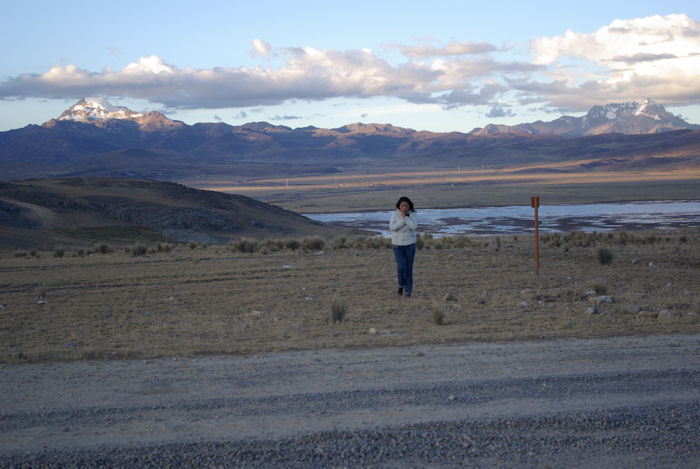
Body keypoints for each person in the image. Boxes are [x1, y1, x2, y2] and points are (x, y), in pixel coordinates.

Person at [389, 196, 417, 297]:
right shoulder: (395, 215)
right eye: (402, 206)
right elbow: (392, 227)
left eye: (406, 206)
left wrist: (406, 218)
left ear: (409, 206)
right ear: (399, 206)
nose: (404, 207)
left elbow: (413, 226)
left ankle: (408, 292)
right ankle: (401, 285)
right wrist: (403, 219)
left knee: (409, 269)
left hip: (410, 245)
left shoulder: (413, 215)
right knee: (401, 267)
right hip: (397, 245)